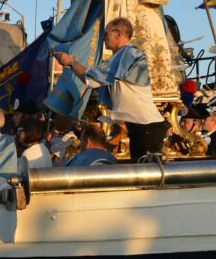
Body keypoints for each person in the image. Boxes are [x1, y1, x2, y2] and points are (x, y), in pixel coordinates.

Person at [53, 17, 166, 158]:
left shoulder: (129, 54)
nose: (102, 37)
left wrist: (72, 62)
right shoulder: (122, 57)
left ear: (119, 34)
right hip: (140, 127)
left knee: (148, 175)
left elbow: (92, 80)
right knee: (143, 174)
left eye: (106, 33)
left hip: (147, 127)